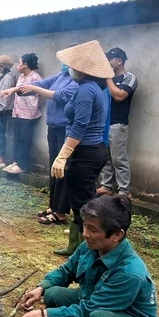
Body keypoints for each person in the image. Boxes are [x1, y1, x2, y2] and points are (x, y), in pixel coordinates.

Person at [17, 195, 159, 317]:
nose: (85, 233)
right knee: (53, 294)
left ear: (117, 234)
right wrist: (41, 288)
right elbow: (66, 270)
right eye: (85, 226)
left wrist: (45, 316)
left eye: (93, 229)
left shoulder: (130, 272)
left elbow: (90, 309)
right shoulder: (89, 246)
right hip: (97, 305)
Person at [48, 40, 112, 256]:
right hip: (91, 151)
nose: (70, 69)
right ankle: (78, 247)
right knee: (83, 201)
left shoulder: (86, 90)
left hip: (85, 152)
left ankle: (87, 250)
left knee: (83, 204)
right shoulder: (92, 88)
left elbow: (80, 125)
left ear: (82, 69)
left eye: (72, 65)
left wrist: (63, 155)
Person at [18, 52, 79, 224]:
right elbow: (40, 83)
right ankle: (53, 205)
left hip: (65, 129)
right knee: (54, 167)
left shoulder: (76, 81)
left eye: (66, 62)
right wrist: (16, 89)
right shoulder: (61, 75)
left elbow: (60, 96)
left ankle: (60, 213)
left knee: (62, 169)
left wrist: (35, 89)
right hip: (53, 127)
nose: (63, 64)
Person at [98, 48, 138, 197]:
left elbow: (119, 96)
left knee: (118, 158)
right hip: (103, 123)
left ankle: (123, 190)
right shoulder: (104, 79)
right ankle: (106, 186)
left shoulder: (129, 78)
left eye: (110, 59)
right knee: (105, 157)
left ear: (119, 61)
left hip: (117, 123)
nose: (107, 62)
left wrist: (108, 78)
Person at [0, 53, 42, 174]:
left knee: (25, 140)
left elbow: (33, 93)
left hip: (29, 114)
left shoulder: (35, 77)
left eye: (19, 63)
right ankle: (16, 161)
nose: (18, 65)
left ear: (25, 64)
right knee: (17, 139)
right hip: (18, 112)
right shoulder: (21, 77)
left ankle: (23, 165)